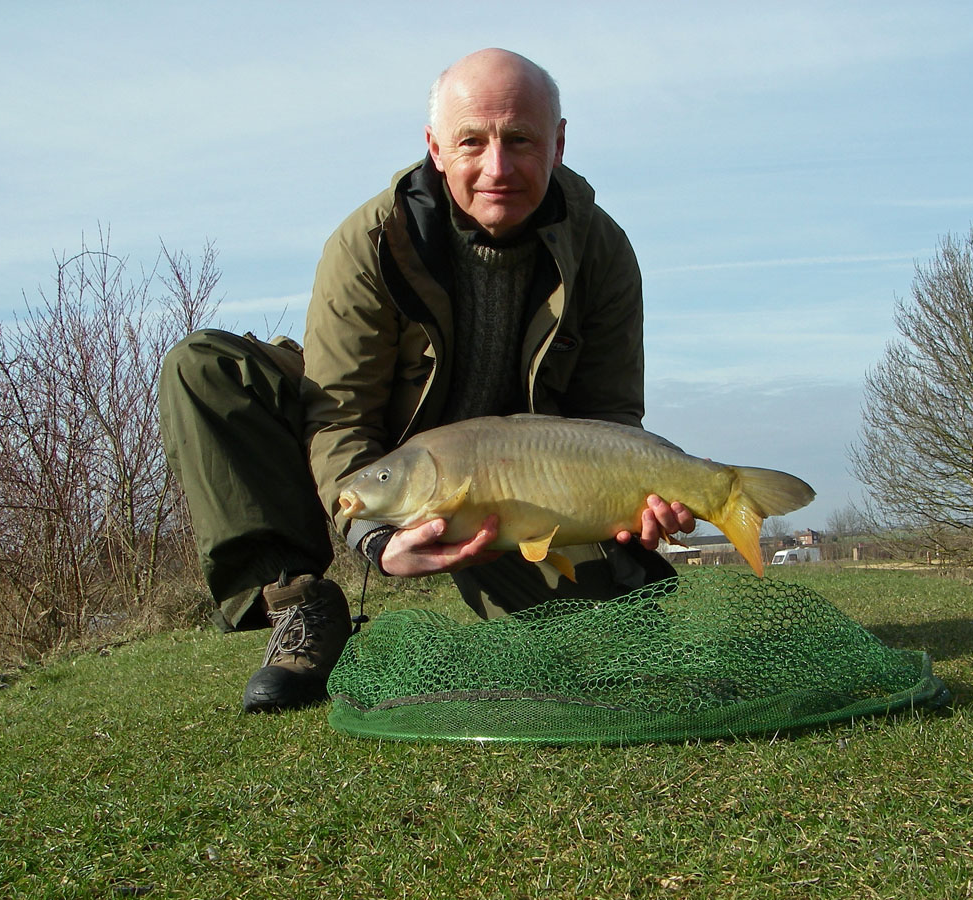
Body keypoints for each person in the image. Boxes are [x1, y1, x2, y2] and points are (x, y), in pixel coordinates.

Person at [159, 48, 694, 713]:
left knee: (616, 656)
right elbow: (340, 417)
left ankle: (595, 600)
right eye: (473, 142)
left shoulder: (603, 250)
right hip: (387, 451)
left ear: (557, 144)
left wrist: (635, 507)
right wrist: (377, 541)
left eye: (520, 140)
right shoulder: (370, 243)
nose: (497, 167)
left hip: (515, 483)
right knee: (205, 368)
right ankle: (300, 608)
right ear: (436, 148)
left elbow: (607, 424)